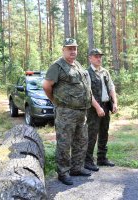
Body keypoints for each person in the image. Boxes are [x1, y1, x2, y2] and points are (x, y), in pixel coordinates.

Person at [43, 38, 92, 185]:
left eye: (75, 48)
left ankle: (77, 167)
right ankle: (63, 172)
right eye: (69, 48)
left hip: (81, 112)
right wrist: (55, 101)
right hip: (66, 112)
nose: (73, 51)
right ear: (63, 50)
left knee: (81, 141)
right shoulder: (57, 66)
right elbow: (46, 86)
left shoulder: (77, 65)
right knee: (64, 143)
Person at [84, 48, 118, 172]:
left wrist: (114, 103)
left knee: (104, 132)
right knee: (92, 134)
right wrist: (97, 107)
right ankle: (87, 161)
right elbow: (88, 93)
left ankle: (102, 158)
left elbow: (111, 88)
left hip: (106, 106)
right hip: (93, 108)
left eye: (100, 56)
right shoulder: (86, 73)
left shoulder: (105, 72)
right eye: (96, 56)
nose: (99, 58)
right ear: (90, 58)